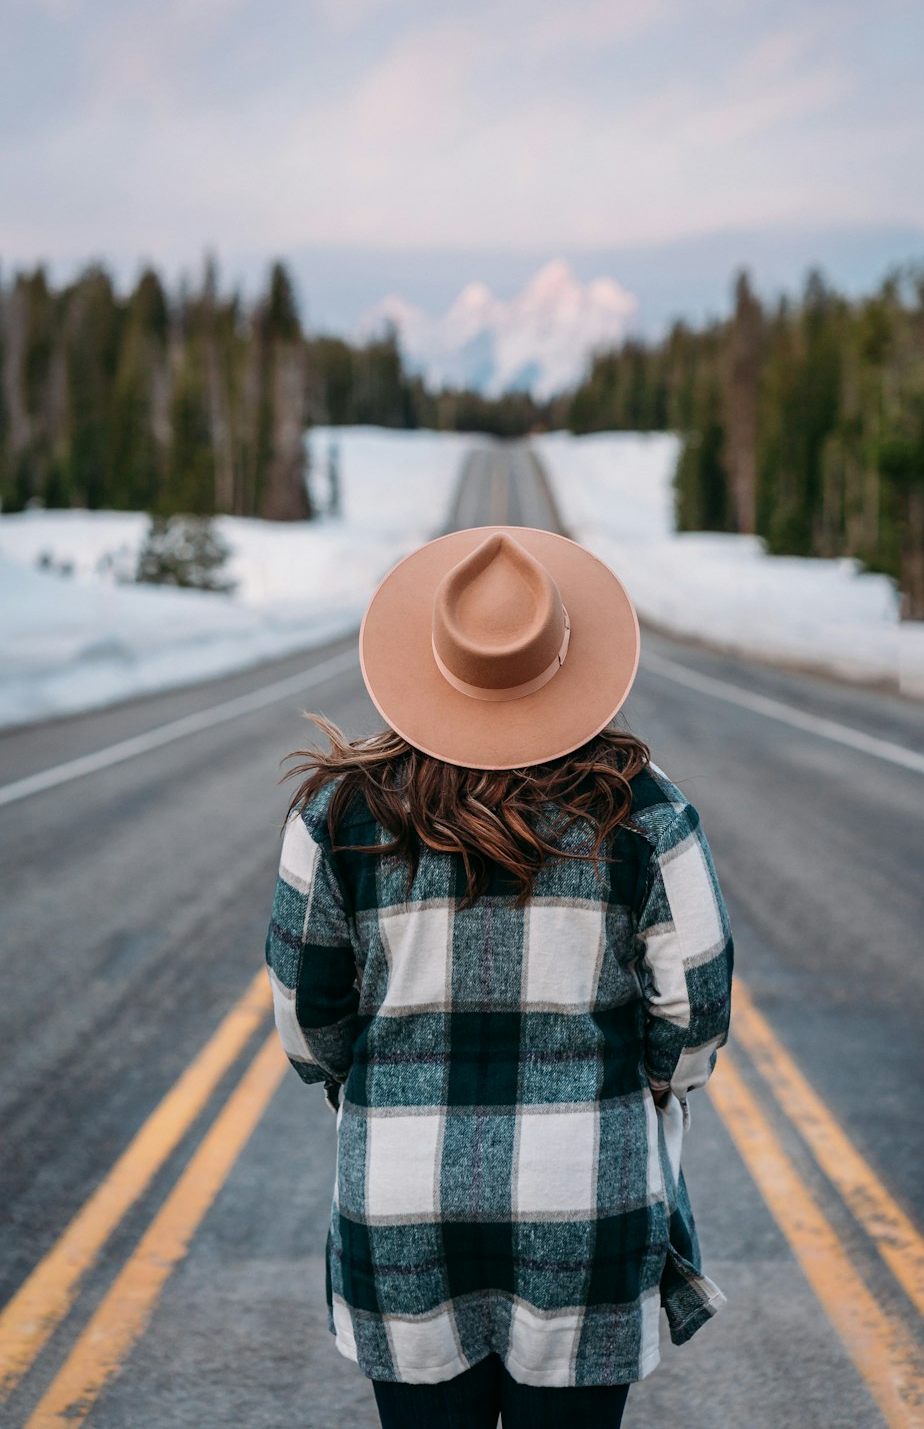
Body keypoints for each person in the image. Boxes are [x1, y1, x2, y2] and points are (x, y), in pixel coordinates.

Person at [266, 526, 733, 1429]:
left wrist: (379, 1095)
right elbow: (695, 1012)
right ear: (570, 663)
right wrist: (645, 1091)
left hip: (399, 1205)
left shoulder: (333, 813)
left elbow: (305, 1017)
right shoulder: (645, 812)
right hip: (585, 1195)